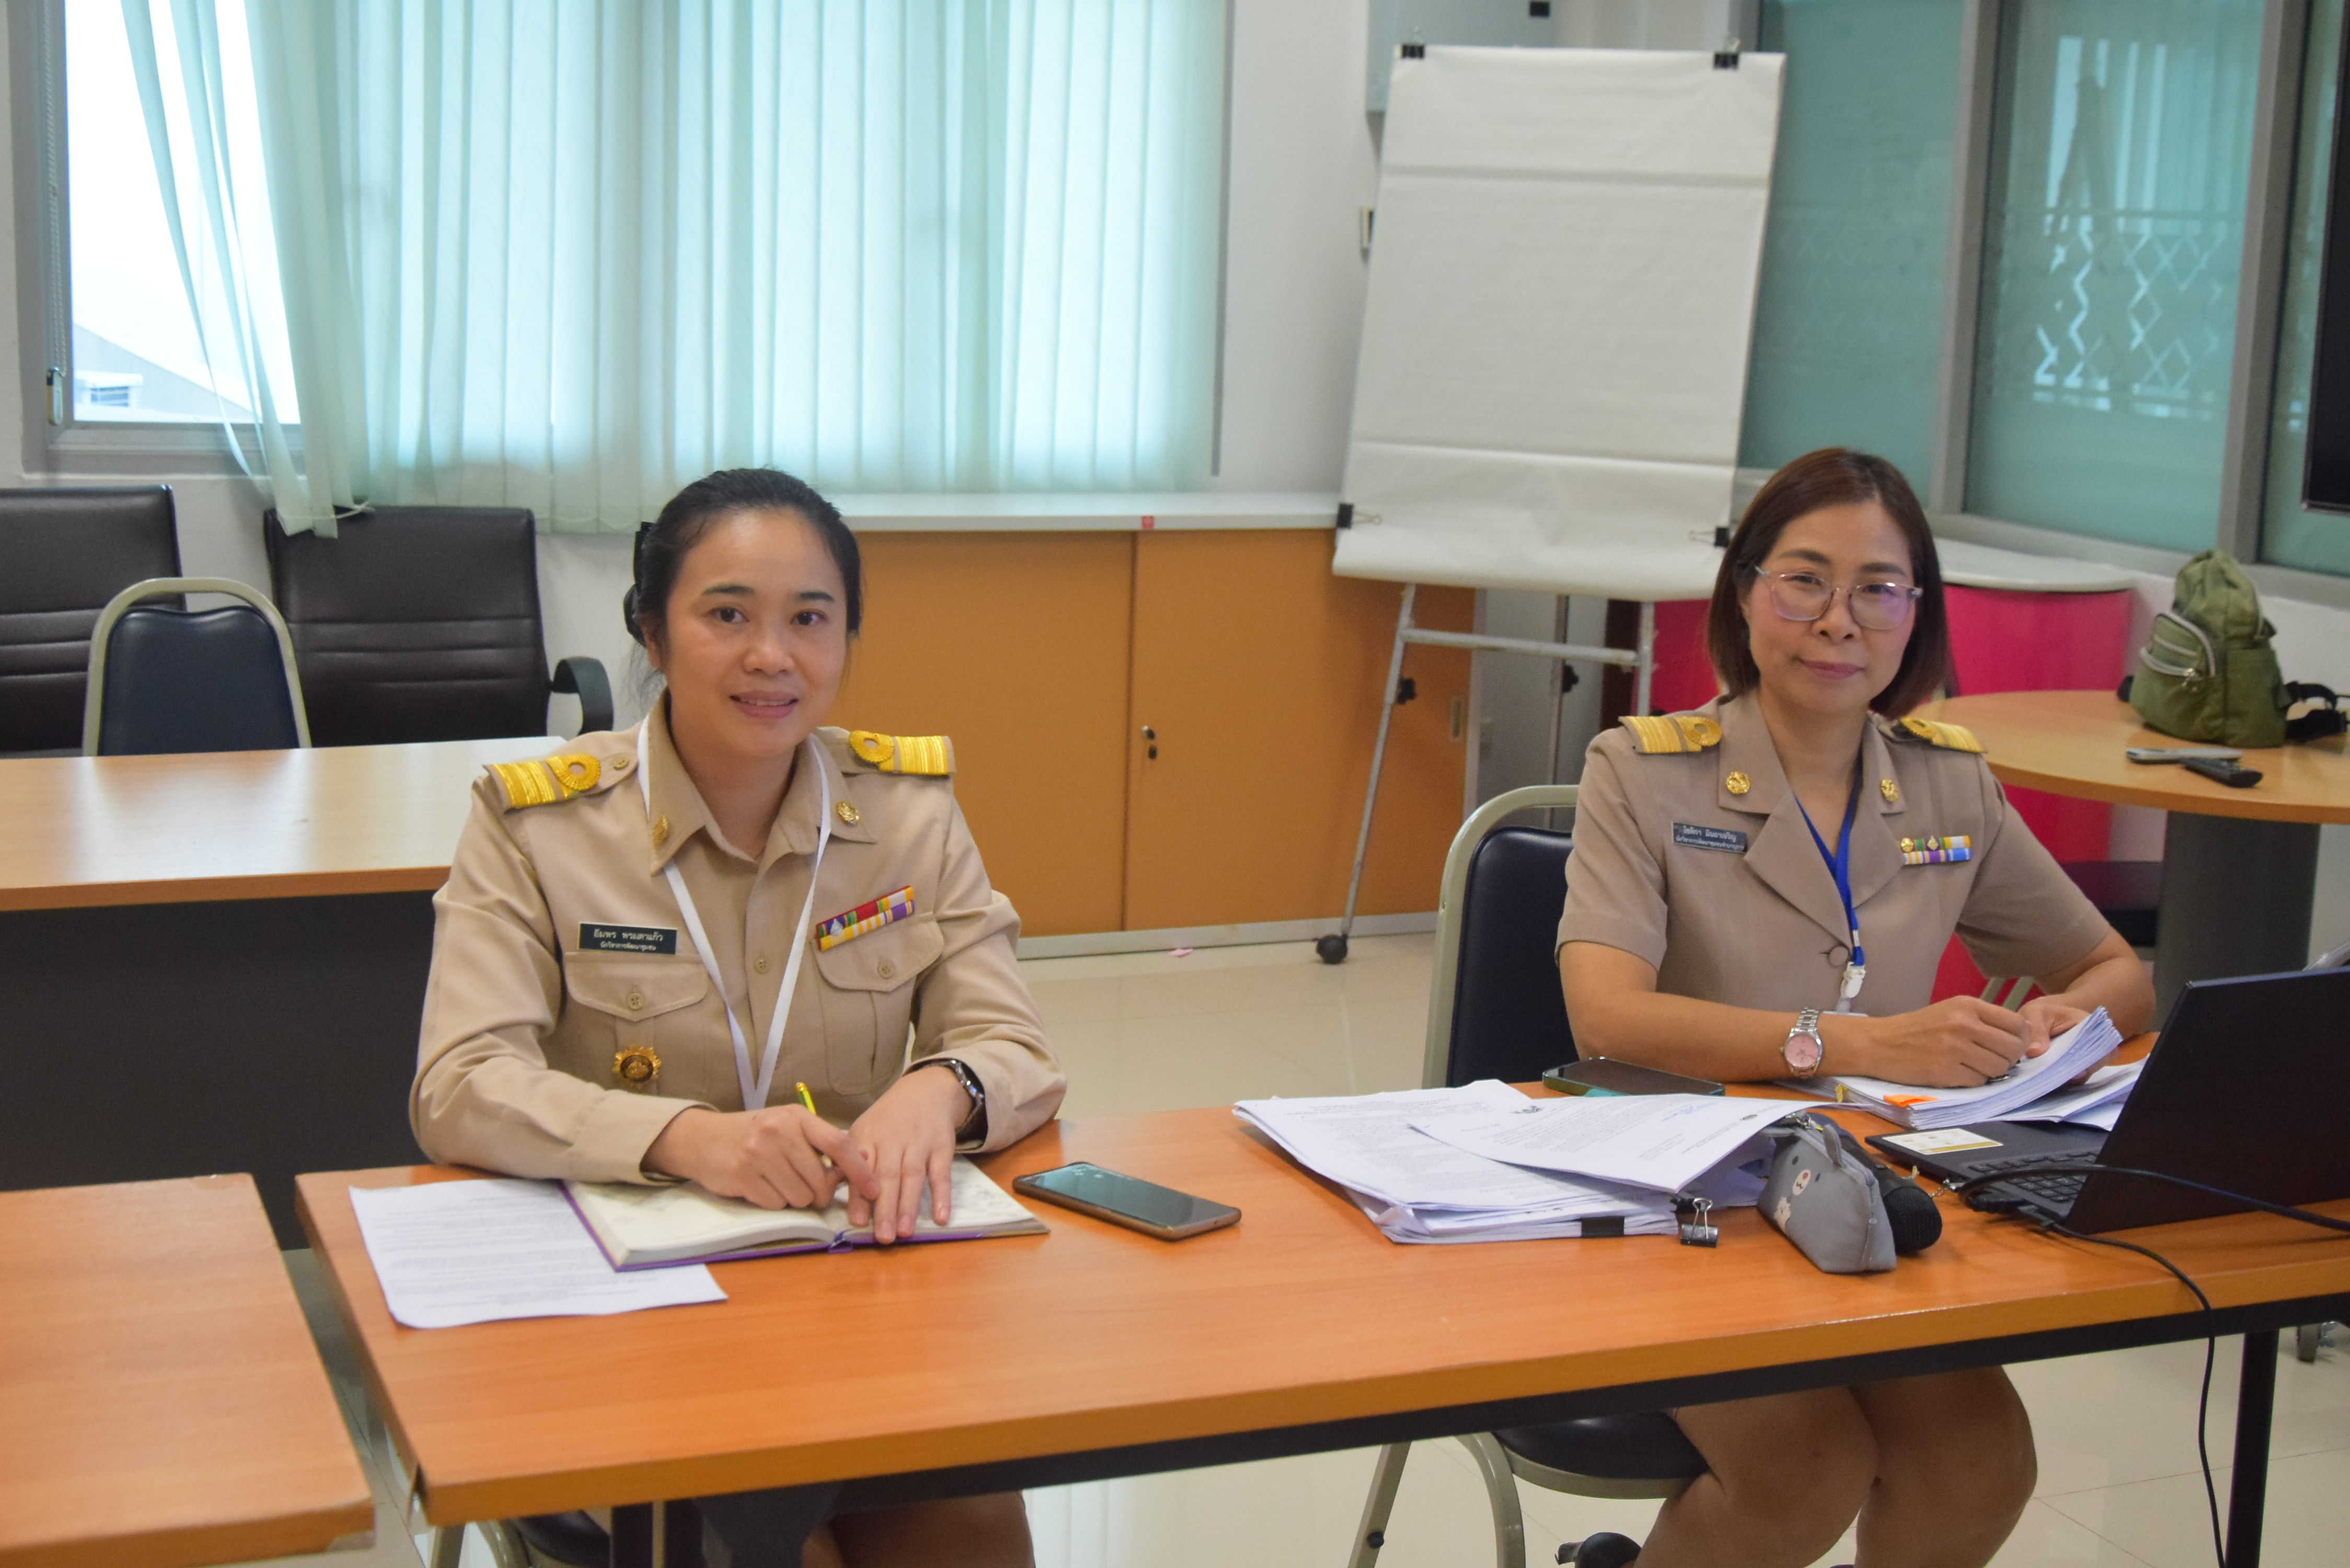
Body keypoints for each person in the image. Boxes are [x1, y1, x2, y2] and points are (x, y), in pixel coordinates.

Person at [412, 466, 1063, 1568]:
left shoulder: (908, 816)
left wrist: (936, 1091)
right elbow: (460, 1082)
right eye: (727, 616)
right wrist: (687, 1139)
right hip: (623, 1327)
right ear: (652, 635)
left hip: (852, 1316)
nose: (774, 656)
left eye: (811, 618)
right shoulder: (535, 827)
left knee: (973, 1533)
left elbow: (1012, 1046)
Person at [1556, 447, 2155, 1568]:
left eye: (1878, 587)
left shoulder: (1945, 782)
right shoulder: (1642, 771)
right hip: (1686, 1190)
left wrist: (2044, 1028)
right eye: (1803, 580)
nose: (1840, 619)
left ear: (1914, 615)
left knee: (1983, 1461)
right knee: (1805, 1462)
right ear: (1743, 594)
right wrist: (1855, 1041)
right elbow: (1607, 1018)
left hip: (1872, 1193)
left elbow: (2117, 971)